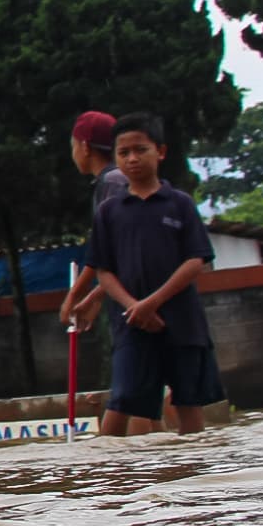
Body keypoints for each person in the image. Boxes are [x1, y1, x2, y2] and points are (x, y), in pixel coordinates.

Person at [88, 111, 223, 437]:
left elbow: (196, 260)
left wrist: (153, 302)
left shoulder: (180, 204)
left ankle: (194, 475)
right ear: (117, 158)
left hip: (182, 323)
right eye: (124, 153)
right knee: (121, 402)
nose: (132, 159)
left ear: (160, 152)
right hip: (132, 325)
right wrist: (134, 306)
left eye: (140, 150)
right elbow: (103, 271)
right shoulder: (109, 211)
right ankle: (108, 478)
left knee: (188, 403)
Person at [58, 109, 128, 332]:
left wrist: (75, 295)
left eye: (73, 146)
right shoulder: (117, 179)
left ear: (85, 147)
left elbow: (109, 251)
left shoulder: (112, 183)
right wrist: (97, 295)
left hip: (135, 304)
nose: (73, 154)